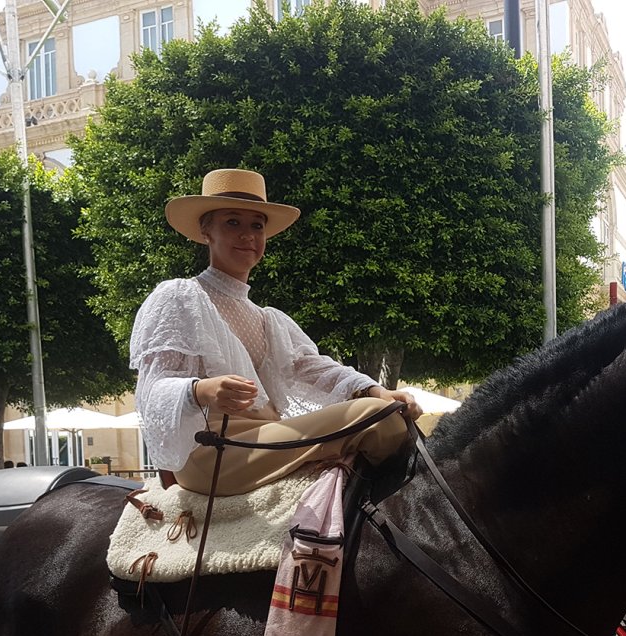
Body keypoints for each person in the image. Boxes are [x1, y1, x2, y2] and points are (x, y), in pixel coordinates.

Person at [130, 168, 421, 497]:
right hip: (211, 451)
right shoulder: (179, 298)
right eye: (233, 222)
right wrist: (200, 390)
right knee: (377, 420)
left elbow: (315, 368)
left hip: (269, 438)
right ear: (205, 230)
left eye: (257, 225)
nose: (248, 235)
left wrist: (376, 391)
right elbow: (152, 391)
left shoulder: (269, 319)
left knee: (391, 414)